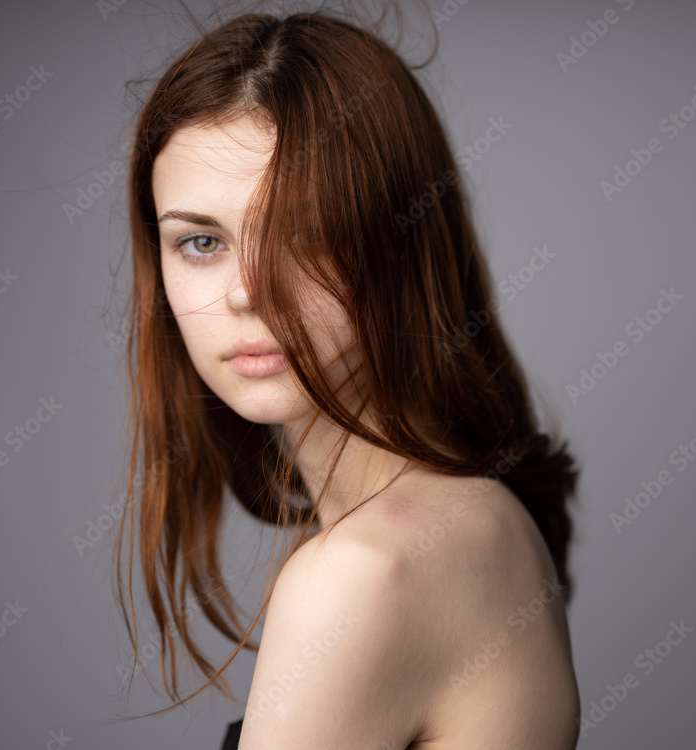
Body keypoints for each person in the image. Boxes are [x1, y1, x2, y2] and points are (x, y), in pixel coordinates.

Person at [111, 6, 582, 748]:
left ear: (404, 241)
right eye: (201, 241)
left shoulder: (361, 575)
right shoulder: (488, 518)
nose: (246, 292)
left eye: (306, 233)